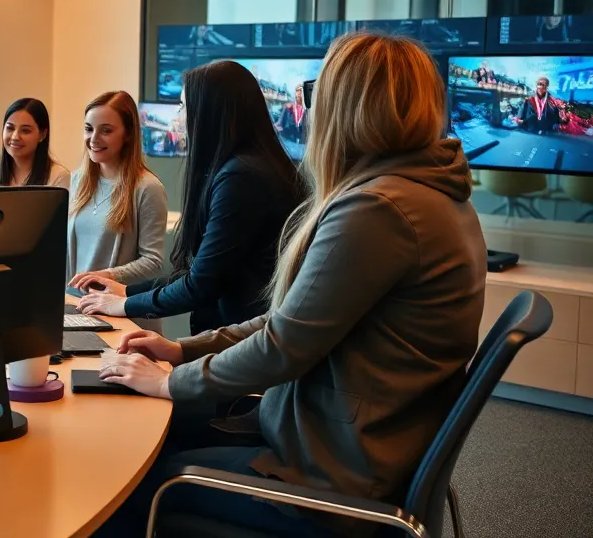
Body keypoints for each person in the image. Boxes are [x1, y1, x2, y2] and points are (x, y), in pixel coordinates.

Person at [92, 32, 487, 537]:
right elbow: (288, 321)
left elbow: (282, 347)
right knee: (158, 435)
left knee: (129, 483)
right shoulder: (432, 193)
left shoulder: (377, 209)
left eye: (314, 92)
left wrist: (167, 381)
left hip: (333, 473)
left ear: (347, 107)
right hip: (355, 438)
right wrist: (179, 351)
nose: (309, 106)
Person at [73, 62, 305, 335]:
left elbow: (201, 284)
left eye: (183, 107)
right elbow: (199, 274)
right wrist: (126, 291)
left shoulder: (241, 177)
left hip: (243, 344)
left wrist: (123, 304)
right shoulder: (247, 167)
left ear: (208, 111)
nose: (179, 117)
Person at [65, 91, 168, 305]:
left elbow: (153, 261)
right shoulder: (76, 181)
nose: (94, 139)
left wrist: (109, 275)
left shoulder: (147, 188)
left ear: (128, 133)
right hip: (79, 308)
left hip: (124, 315)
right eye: (88, 129)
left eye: (106, 131)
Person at [0, 98, 71, 189]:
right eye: (10, 128)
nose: (15, 137)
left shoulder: (58, 176)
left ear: (42, 134)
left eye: (25, 131)